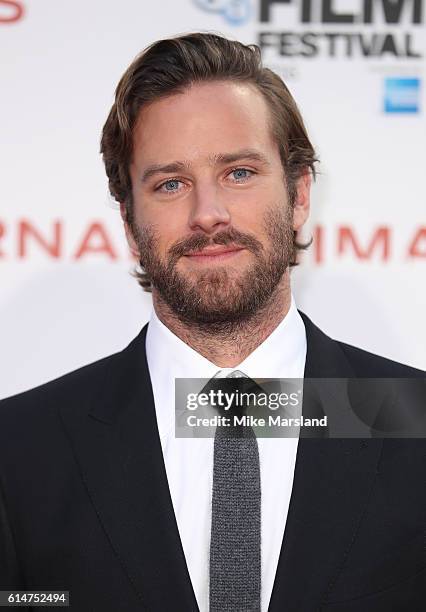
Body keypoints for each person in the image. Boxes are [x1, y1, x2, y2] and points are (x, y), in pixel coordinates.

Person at [0, 33, 425, 612]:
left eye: (240, 173)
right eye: (170, 184)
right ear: (129, 221)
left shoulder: (415, 421)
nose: (208, 215)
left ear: (299, 195)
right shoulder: (20, 449)